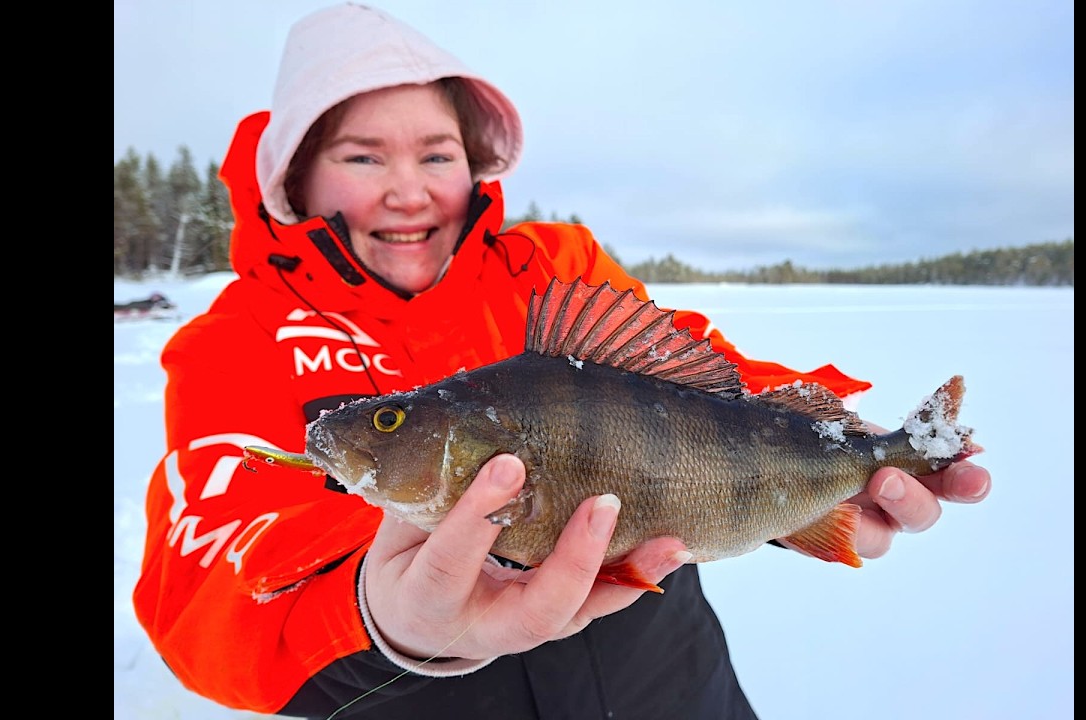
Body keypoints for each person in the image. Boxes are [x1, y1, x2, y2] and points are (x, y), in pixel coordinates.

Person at [132, 4, 992, 719]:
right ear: (296, 175)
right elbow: (206, 581)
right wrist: (380, 614)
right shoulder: (236, 339)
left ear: (473, 166)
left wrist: (835, 442)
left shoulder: (554, 269)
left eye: (438, 154)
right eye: (363, 157)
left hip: (668, 676)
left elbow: (702, 376)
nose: (409, 189)